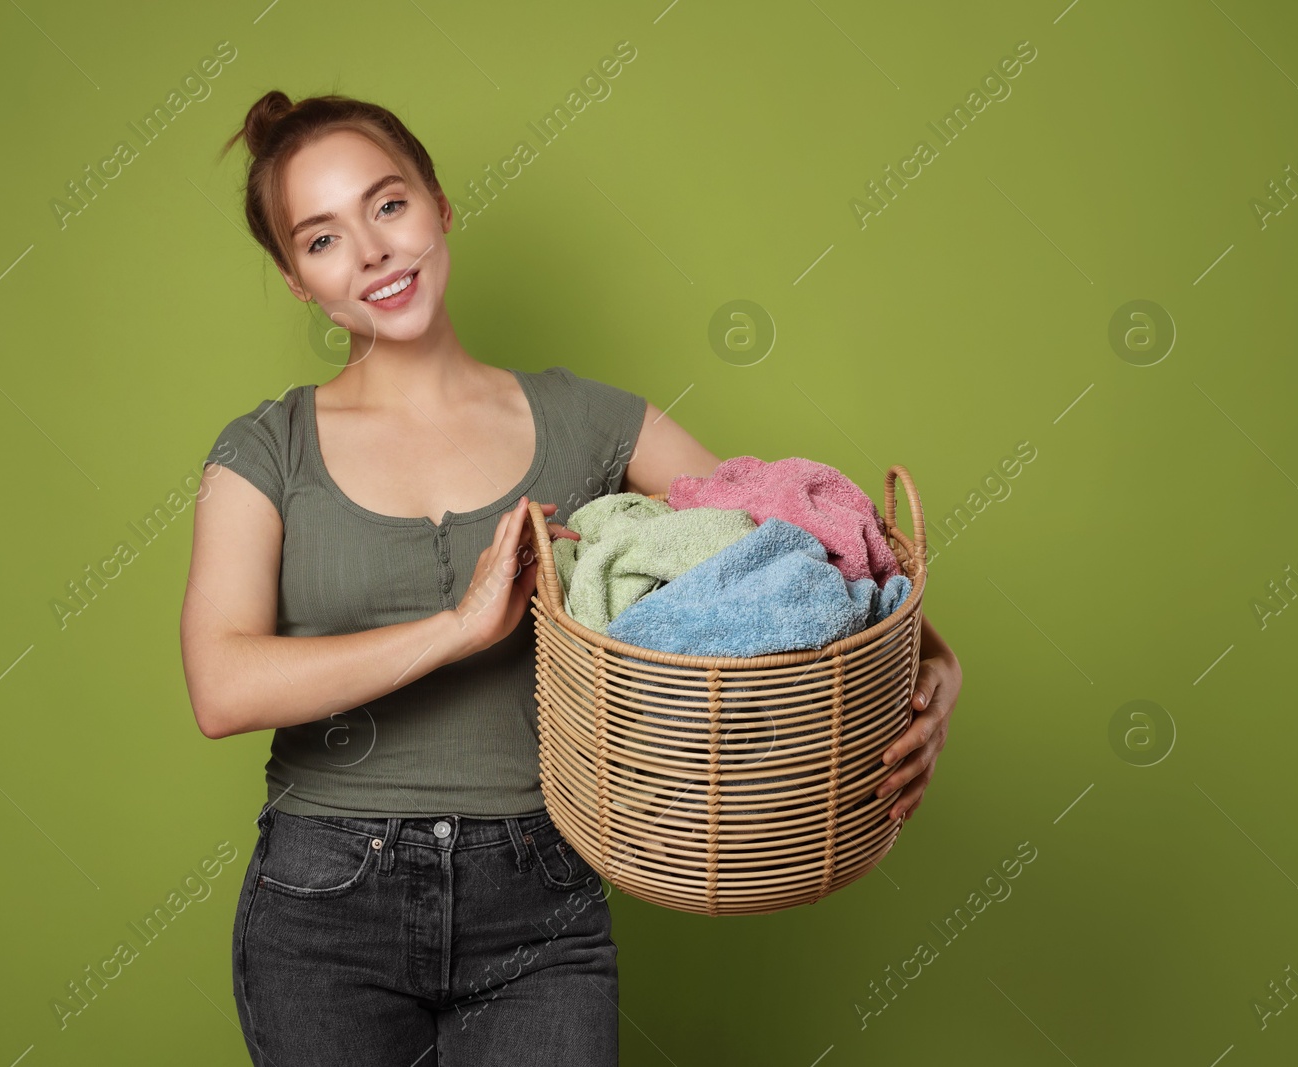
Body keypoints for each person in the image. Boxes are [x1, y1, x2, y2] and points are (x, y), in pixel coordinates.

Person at [180, 90, 962, 1066]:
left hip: (539, 895)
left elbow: (784, 560)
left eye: (388, 206)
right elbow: (223, 684)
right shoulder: (266, 451)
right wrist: (460, 627)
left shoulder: (592, 423)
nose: (374, 251)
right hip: (324, 905)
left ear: (438, 205)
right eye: (323, 237)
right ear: (297, 278)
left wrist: (935, 664)